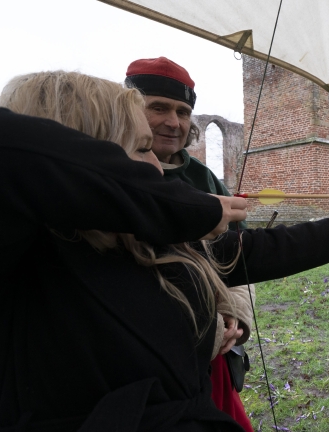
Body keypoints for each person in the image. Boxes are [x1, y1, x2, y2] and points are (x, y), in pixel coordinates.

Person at [0, 71, 329, 431]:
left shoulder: (145, 242)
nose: (160, 168)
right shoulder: (20, 260)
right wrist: (178, 207)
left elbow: (265, 249)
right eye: (141, 149)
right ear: (90, 157)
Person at [126, 56, 253, 428]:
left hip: (214, 352)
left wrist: (237, 319)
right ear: (131, 109)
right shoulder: (111, 171)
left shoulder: (205, 179)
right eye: (158, 108)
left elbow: (240, 255)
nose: (173, 122)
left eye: (183, 112)